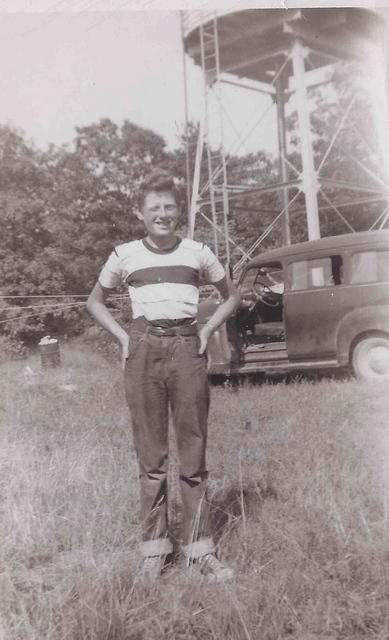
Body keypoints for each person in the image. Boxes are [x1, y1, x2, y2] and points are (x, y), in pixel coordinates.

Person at [86, 170, 240, 581]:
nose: (162, 214)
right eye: (154, 208)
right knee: (151, 457)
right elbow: (95, 302)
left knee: (192, 452)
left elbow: (231, 296)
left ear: (180, 212)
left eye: (169, 207)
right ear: (140, 213)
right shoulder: (124, 255)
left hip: (187, 348)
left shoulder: (198, 252)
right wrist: (123, 339)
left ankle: (199, 547)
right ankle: (155, 549)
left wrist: (207, 330)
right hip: (143, 350)